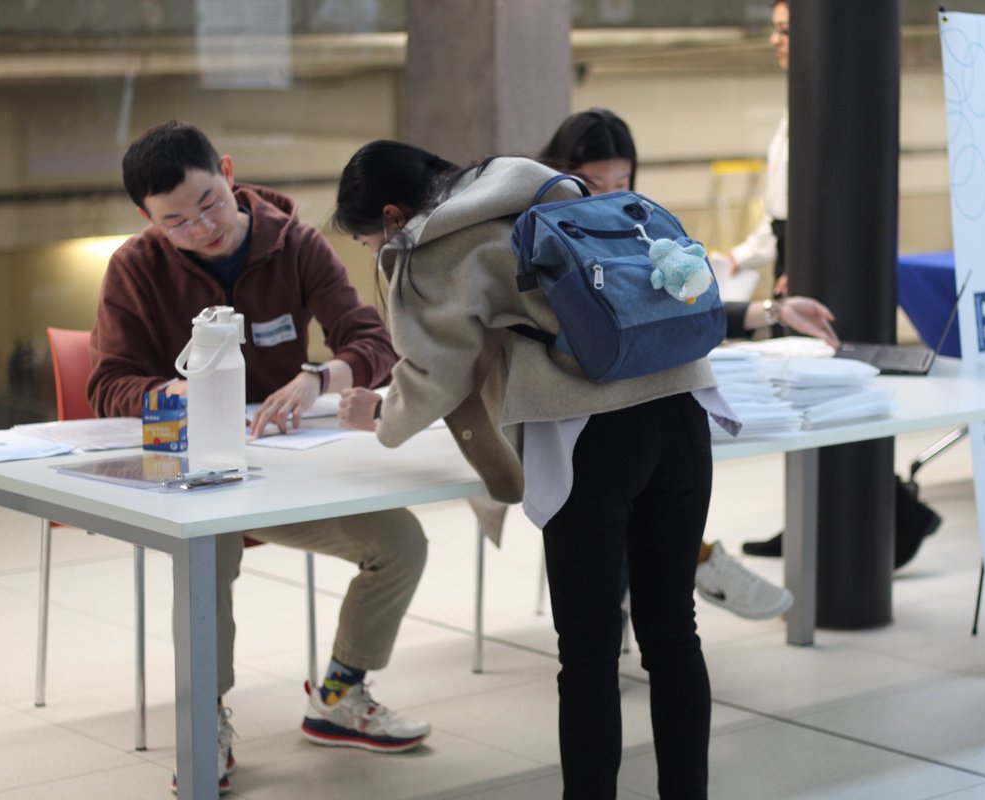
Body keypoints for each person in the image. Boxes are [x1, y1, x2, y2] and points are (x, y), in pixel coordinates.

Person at [333, 140, 724, 799]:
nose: (378, 256)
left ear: (393, 216)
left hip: (591, 436)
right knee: (672, 634)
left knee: (591, 659)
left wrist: (377, 416)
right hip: (683, 410)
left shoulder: (431, 247)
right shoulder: (549, 190)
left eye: (371, 243)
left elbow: (434, 371)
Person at [88, 121, 430, 795]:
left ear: (228, 170)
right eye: (176, 222)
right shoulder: (135, 266)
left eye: (209, 203)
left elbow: (373, 341)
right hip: (194, 476)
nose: (201, 227)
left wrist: (318, 377)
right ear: (147, 219)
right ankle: (206, 717)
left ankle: (339, 694)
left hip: (285, 474)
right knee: (208, 549)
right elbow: (107, 383)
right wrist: (173, 392)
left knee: (401, 543)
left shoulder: (295, 244)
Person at [540, 107, 839, 620]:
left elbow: (679, 309)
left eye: (623, 180)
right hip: (572, 427)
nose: (609, 194)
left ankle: (695, 563)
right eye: (593, 182)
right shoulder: (540, 240)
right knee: (616, 621)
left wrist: (774, 310)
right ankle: (699, 562)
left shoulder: (636, 229)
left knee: (664, 618)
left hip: (644, 418)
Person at [712, 0, 942, 564]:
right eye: (774, 31)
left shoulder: (828, 98)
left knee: (823, 394)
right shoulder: (801, 99)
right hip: (800, 251)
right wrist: (742, 258)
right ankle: (828, 518)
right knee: (806, 395)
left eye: (787, 30)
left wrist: (807, 259)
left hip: (825, 259)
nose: (777, 41)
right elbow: (779, 209)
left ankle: (894, 516)